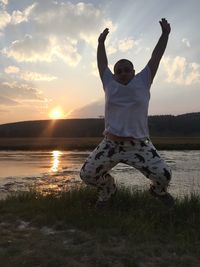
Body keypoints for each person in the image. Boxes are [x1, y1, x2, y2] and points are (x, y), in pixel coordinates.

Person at [80, 18, 174, 208]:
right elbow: (101, 63)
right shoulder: (109, 83)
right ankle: (108, 190)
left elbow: (156, 57)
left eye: (126, 70)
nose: (123, 73)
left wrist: (165, 35)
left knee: (164, 175)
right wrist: (100, 44)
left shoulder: (144, 80)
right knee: (87, 175)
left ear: (133, 71)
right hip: (111, 144)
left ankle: (157, 191)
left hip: (138, 144)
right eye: (119, 70)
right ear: (114, 74)